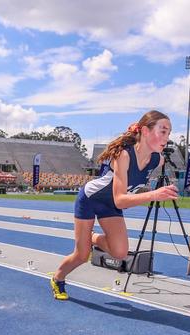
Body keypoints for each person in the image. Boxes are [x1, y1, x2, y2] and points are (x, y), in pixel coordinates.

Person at [50, 110, 179, 300]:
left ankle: (92, 238)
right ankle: (58, 279)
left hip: (110, 206)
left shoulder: (157, 160)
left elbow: (126, 195)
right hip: (90, 199)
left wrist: (157, 192)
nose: (166, 138)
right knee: (81, 254)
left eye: (168, 133)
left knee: (120, 253)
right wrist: (154, 194)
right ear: (145, 131)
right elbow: (120, 198)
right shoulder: (124, 155)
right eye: (163, 131)